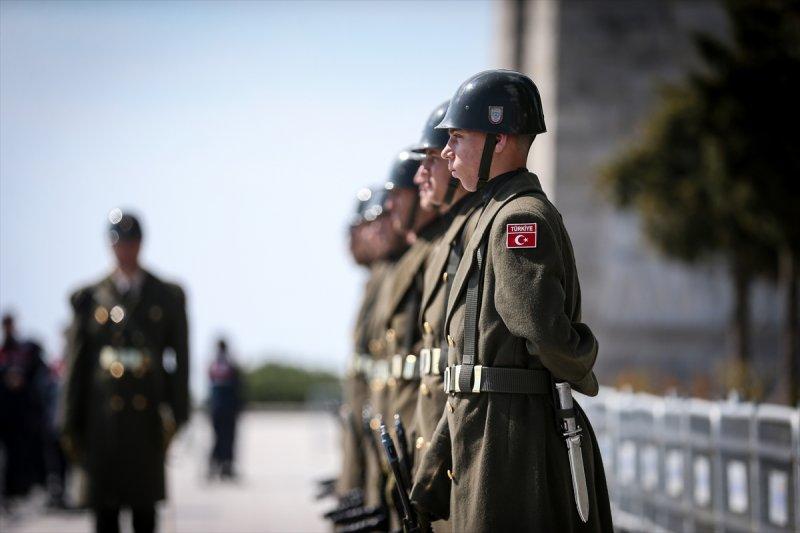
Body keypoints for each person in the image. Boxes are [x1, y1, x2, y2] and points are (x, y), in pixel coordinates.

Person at [410, 70, 613, 532]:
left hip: (509, 442)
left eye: (458, 137)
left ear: (498, 140)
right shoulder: (497, 211)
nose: (447, 151)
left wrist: (580, 361)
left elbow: (541, 329)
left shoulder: (519, 217)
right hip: (487, 429)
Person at [60, 209, 190, 533]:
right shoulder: (90, 297)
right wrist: (69, 421)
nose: (126, 249)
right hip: (102, 422)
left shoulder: (165, 294)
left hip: (145, 422)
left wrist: (178, 413)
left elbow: (180, 360)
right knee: (105, 512)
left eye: (132, 242)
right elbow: (76, 364)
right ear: (110, 245)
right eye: (120, 242)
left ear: (141, 244)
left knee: (144, 512)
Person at [0, 313, 47, 503]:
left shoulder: (25, 349)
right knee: (10, 454)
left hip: (25, 413)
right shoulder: (3, 351)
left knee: (27, 451)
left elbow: (37, 371)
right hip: (6, 413)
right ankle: (11, 492)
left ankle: (27, 489)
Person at [207, 338, 242, 480]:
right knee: (226, 438)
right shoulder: (230, 365)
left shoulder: (214, 365)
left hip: (218, 408)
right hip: (226, 408)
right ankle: (223, 465)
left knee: (220, 437)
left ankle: (219, 464)